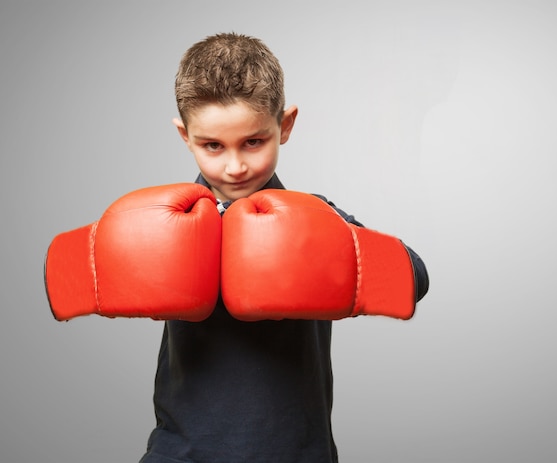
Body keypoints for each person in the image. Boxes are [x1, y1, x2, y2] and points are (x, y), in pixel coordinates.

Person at [44, 32, 429, 463]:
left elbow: (414, 279)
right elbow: (64, 279)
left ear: (284, 126)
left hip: (296, 454)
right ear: (184, 136)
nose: (235, 166)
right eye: (212, 146)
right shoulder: (160, 221)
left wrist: (336, 248)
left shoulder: (318, 217)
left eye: (253, 141)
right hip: (180, 452)